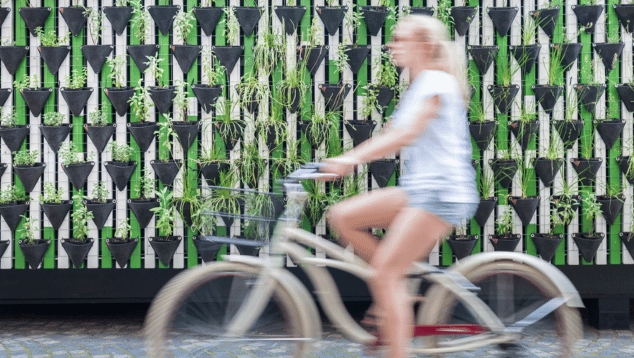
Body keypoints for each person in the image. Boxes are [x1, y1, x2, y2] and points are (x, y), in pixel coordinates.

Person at [319, 15, 479, 358]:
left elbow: (404, 135)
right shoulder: (418, 83)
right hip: (420, 189)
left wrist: (349, 160)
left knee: (384, 275)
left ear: (424, 45)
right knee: (342, 216)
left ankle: (394, 309)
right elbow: (394, 132)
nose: (391, 45)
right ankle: (397, 289)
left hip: (442, 193)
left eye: (400, 39)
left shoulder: (435, 80)